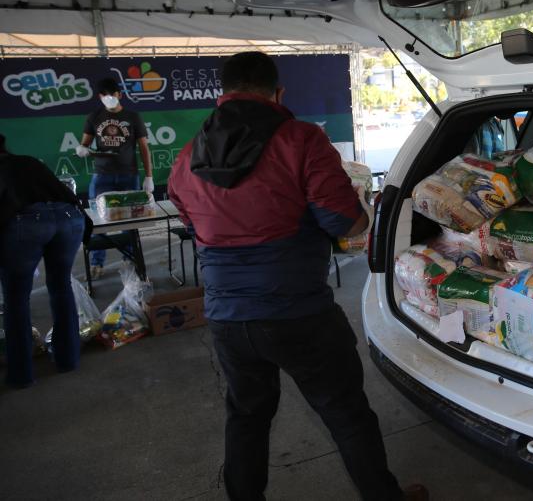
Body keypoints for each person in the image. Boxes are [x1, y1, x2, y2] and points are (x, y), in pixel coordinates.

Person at [168, 52, 426, 501]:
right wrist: (362, 210)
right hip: (298, 312)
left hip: (227, 317)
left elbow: (193, 226)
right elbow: (344, 222)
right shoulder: (301, 139)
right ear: (279, 92)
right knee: (346, 414)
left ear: (221, 95)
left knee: (246, 418)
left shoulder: (187, 157)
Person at [0, 134, 86, 388]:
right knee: (61, 286)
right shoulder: (27, 162)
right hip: (70, 218)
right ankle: (68, 360)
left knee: (16, 298)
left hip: (25, 224)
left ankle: (21, 376)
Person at [76, 77, 154, 279]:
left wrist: (149, 176)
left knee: (129, 219)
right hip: (102, 175)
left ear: (120, 94)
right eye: (105, 95)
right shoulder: (94, 117)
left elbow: (144, 147)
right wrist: (82, 149)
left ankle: (129, 258)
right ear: (100, 97)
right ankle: (97, 262)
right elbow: (84, 144)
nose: (109, 98)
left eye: (113, 94)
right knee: (96, 221)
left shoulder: (133, 116)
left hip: (129, 175)